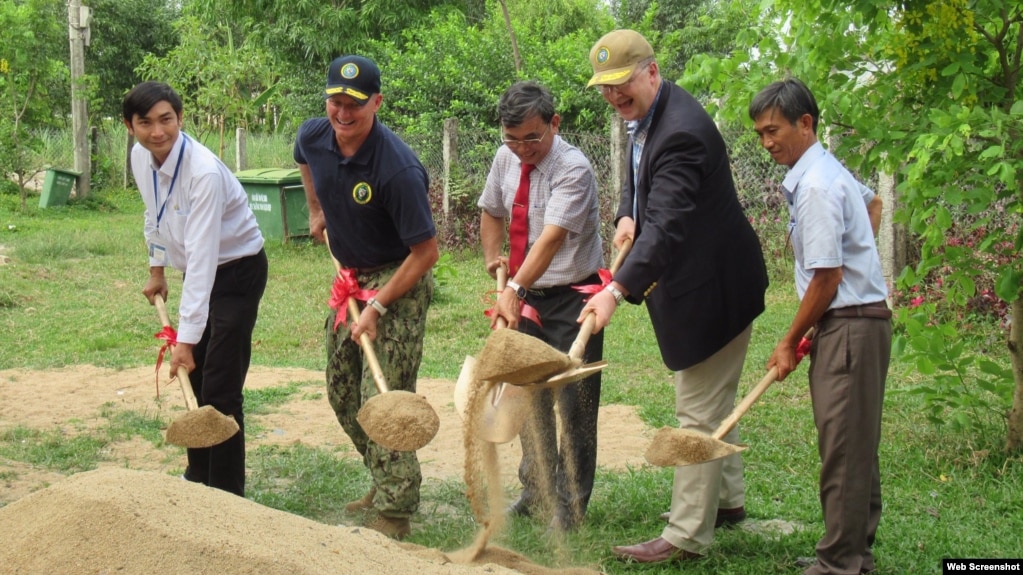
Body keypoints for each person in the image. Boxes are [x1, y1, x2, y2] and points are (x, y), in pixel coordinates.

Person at [580, 29, 768, 563]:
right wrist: (624, 213)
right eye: (606, 89)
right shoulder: (650, 117)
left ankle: (685, 536)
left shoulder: (682, 132)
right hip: (702, 281)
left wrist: (615, 288)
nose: (615, 98)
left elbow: (664, 229)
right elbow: (639, 181)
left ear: (652, 72)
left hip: (715, 290)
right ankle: (727, 502)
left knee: (697, 411)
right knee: (711, 400)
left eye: (622, 85)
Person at [293, 55, 438, 540]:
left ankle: (396, 510)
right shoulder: (314, 134)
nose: (343, 113)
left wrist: (378, 306)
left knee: (386, 397)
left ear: (376, 102)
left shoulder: (397, 168)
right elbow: (302, 158)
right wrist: (316, 211)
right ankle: (382, 473)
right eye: (336, 101)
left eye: (355, 103)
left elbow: (426, 253)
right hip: (350, 275)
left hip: (399, 278)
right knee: (341, 392)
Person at [749, 78, 890, 575]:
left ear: (805, 123)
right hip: (851, 322)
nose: (767, 143)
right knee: (853, 444)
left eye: (773, 130)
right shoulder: (828, 170)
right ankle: (853, 553)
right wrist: (859, 263)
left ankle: (839, 564)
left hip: (851, 326)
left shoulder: (814, 186)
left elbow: (827, 276)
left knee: (845, 451)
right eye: (760, 134)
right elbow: (872, 205)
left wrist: (789, 339)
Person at [123, 81, 268, 498]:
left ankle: (224, 495)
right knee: (198, 379)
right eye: (145, 122)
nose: (157, 132)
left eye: (166, 119)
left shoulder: (202, 172)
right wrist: (157, 271)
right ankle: (197, 479)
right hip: (200, 275)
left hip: (237, 273)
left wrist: (185, 341)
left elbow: (204, 261)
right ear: (130, 126)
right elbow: (154, 215)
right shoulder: (140, 157)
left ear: (181, 119)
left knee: (220, 388)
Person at [478, 80, 605, 532]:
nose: (521, 149)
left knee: (574, 405)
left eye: (531, 137)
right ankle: (535, 493)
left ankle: (569, 508)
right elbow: (492, 209)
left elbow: (551, 240)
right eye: (511, 138)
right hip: (525, 295)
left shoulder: (574, 168)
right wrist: (494, 256)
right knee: (527, 397)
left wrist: (512, 286)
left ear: (555, 123)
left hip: (573, 299)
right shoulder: (505, 158)